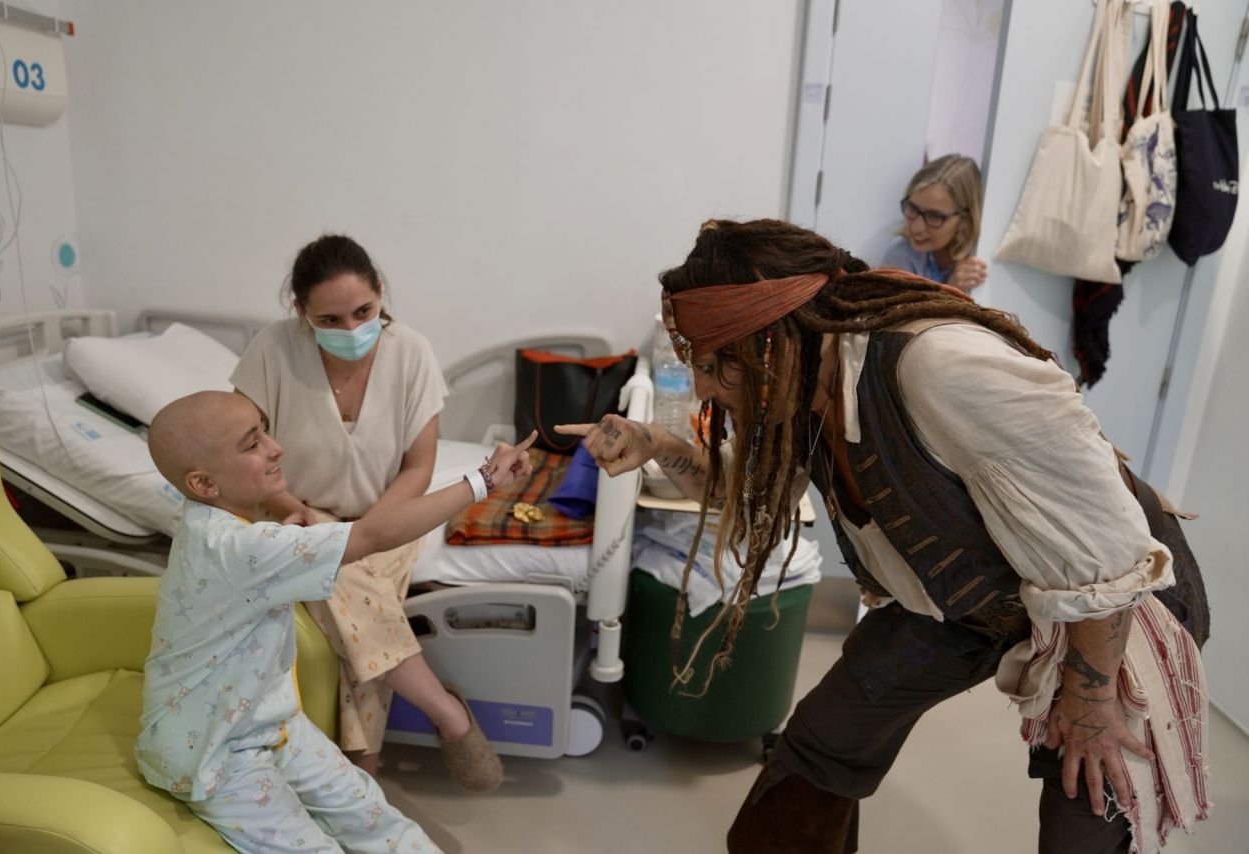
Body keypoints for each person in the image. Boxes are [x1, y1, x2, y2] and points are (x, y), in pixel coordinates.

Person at [557, 219, 1209, 854]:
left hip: (1111, 605)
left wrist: (1090, 700)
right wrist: (657, 444)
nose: (702, 387)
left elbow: (1107, 551)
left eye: (712, 365)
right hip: (961, 599)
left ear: (773, 341)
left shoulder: (939, 364)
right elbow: (745, 489)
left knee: (1086, 801)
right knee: (823, 741)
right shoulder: (804, 387)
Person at [137, 390, 534, 853]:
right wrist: (484, 480)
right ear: (204, 483)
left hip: (273, 724)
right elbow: (372, 535)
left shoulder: (224, 527)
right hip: (212, 752)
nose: (276, 447)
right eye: (253, 444)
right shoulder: (239, 548)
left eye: (266, 431)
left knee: (376, 817)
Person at [231, 234, 503, 789]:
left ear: (380, 293)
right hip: (296, 513)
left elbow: (419, 469)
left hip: (390, 515)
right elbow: (247, 456)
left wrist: (370, 531)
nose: (352, 329)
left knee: (346, 583)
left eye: (363, 311)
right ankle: (442, 718)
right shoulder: (272, 350)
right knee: (350, 584)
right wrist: (298, 511)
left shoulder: (411, 352)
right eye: (330, 319)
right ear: (300, 312)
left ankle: (362, 773)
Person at [881, 153, 988, 291]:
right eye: (912, 208)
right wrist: (950, 289)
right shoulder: (900, 254)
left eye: (934, 216)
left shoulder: (980, 259)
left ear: (965, 219)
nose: (916, 228)